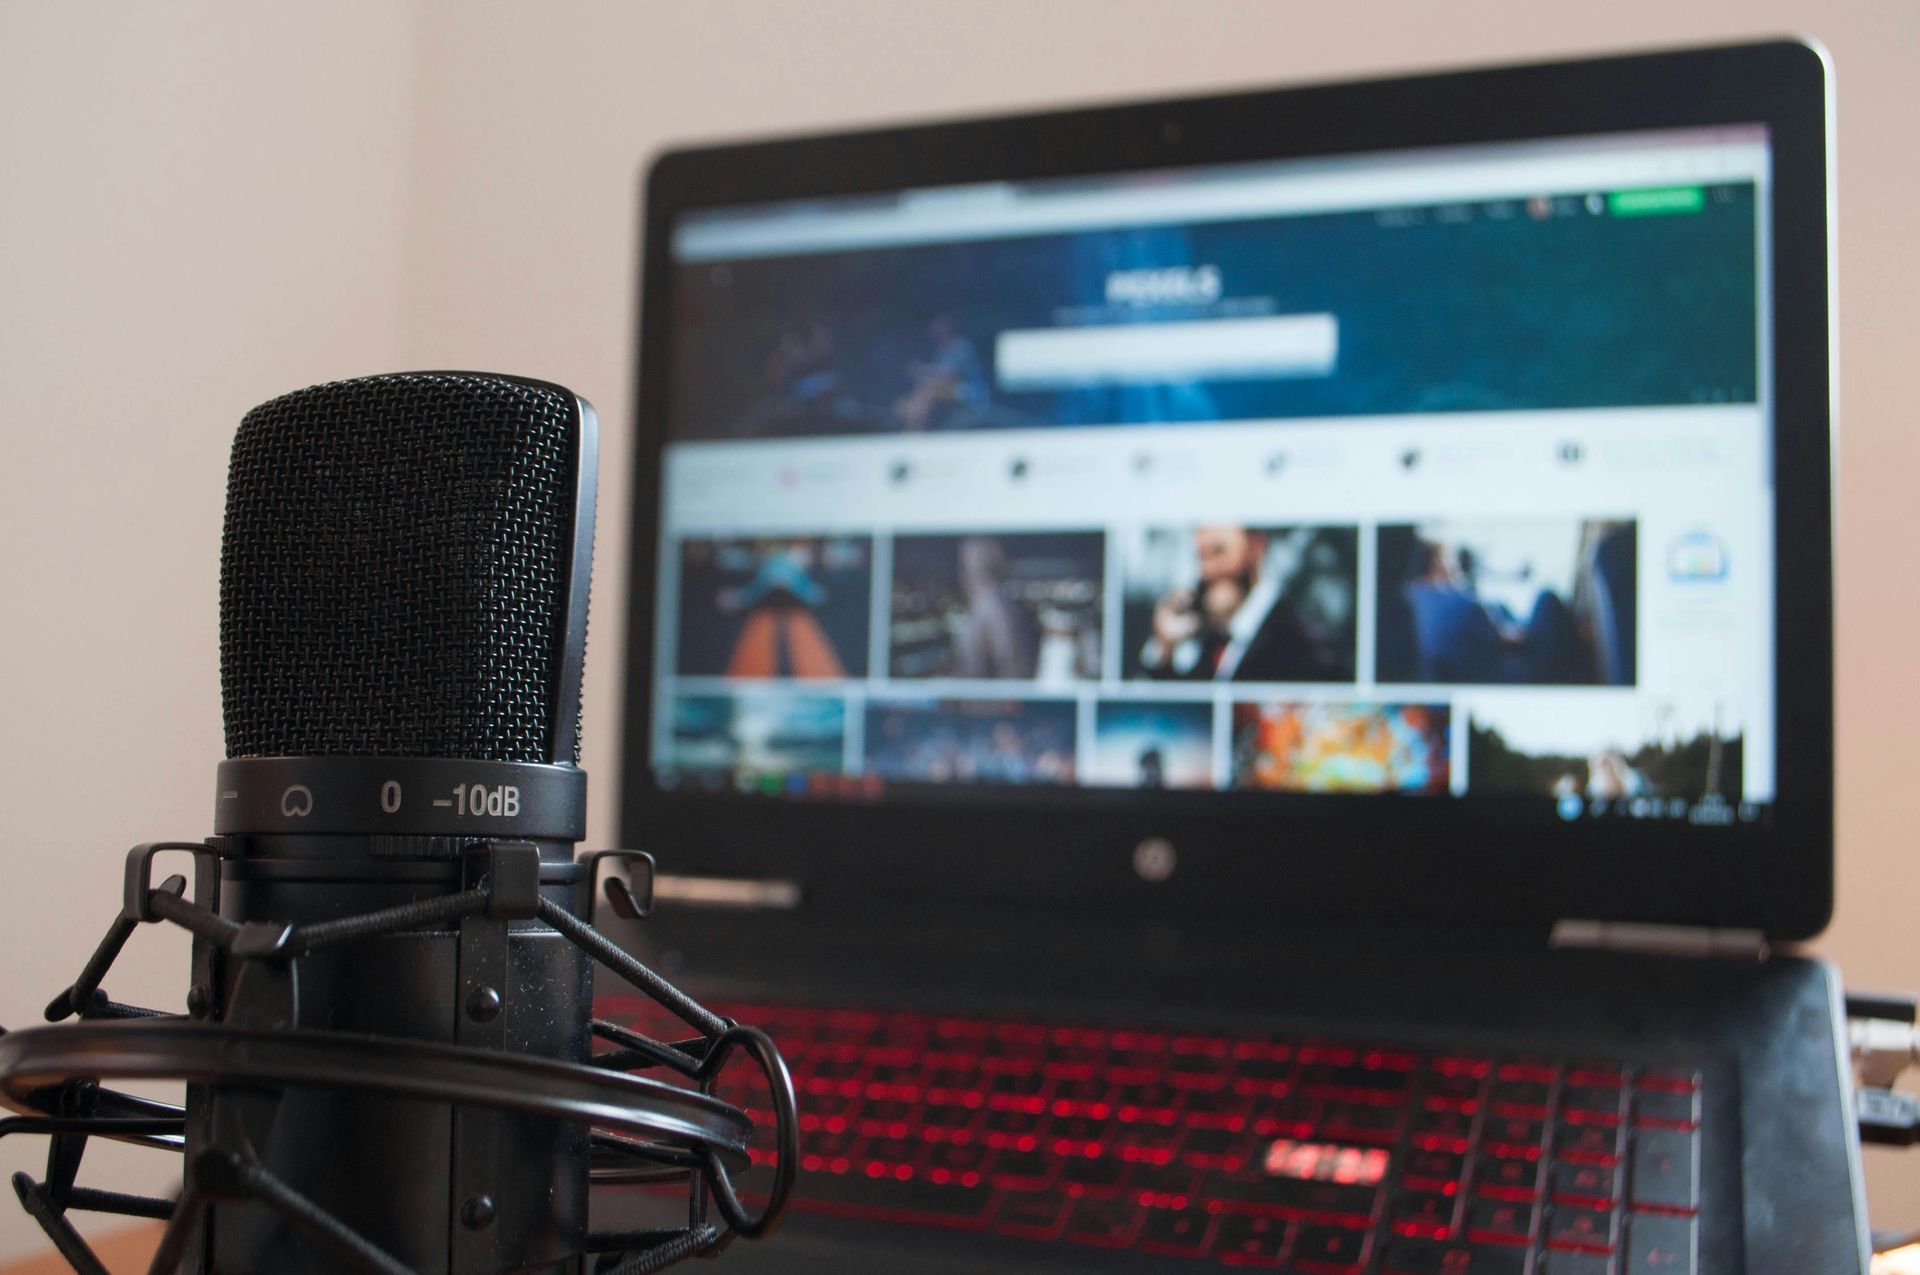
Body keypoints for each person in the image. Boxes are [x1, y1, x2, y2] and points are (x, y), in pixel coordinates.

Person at [1139, 526, 1324, 681]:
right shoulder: (1209, 638)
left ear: (1256, 548)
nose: (1206, 570)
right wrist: (1165, 647)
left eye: (1218, 552)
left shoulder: (1302, 642)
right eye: (1201, 556)